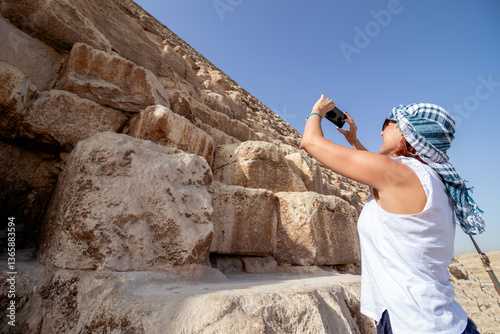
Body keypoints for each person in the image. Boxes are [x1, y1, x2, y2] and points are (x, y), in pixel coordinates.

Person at [300, 95, 484, 334]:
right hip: (442, 321)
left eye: (387, 124)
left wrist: (317, 111)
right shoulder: (428, 178)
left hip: (413, 323)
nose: (380, 132)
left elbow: (311, 141)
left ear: (407, 130)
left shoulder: (399, 175)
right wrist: (354, 141)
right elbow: (379, 177)